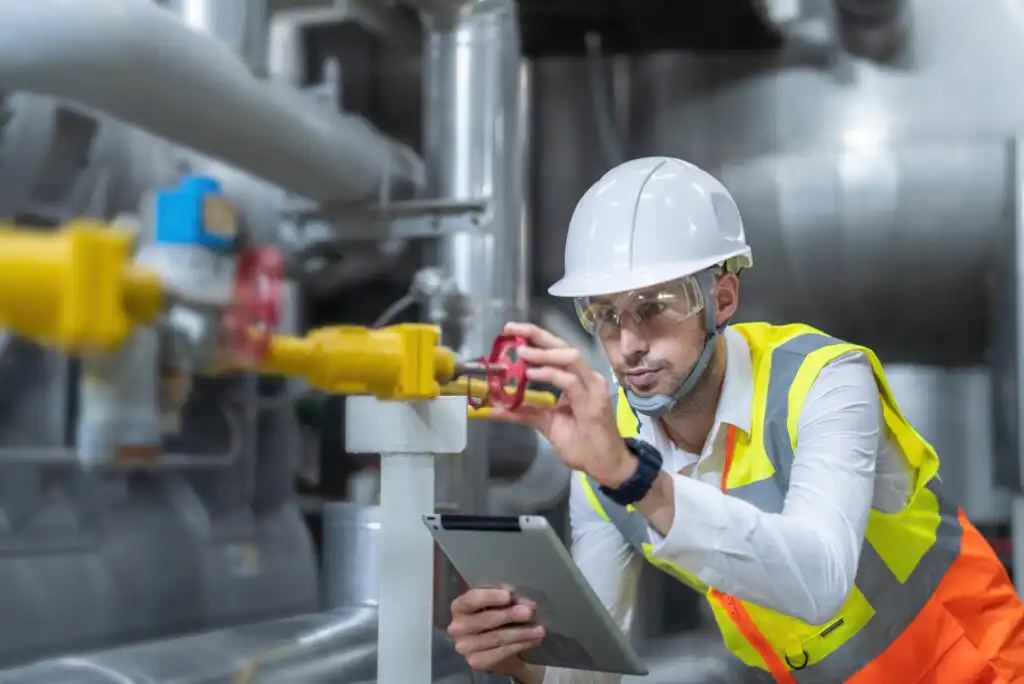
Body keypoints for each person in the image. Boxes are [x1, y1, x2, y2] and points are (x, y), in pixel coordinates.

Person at [445, 157, 1024, 683]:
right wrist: (524, 658)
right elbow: (593, 678)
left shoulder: (823, 381)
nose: (628, 345)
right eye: (604, 315)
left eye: (654, 307)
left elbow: (819, 580)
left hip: (979, 668)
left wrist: (634, 479)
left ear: (722, 298)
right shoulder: (606, 450)